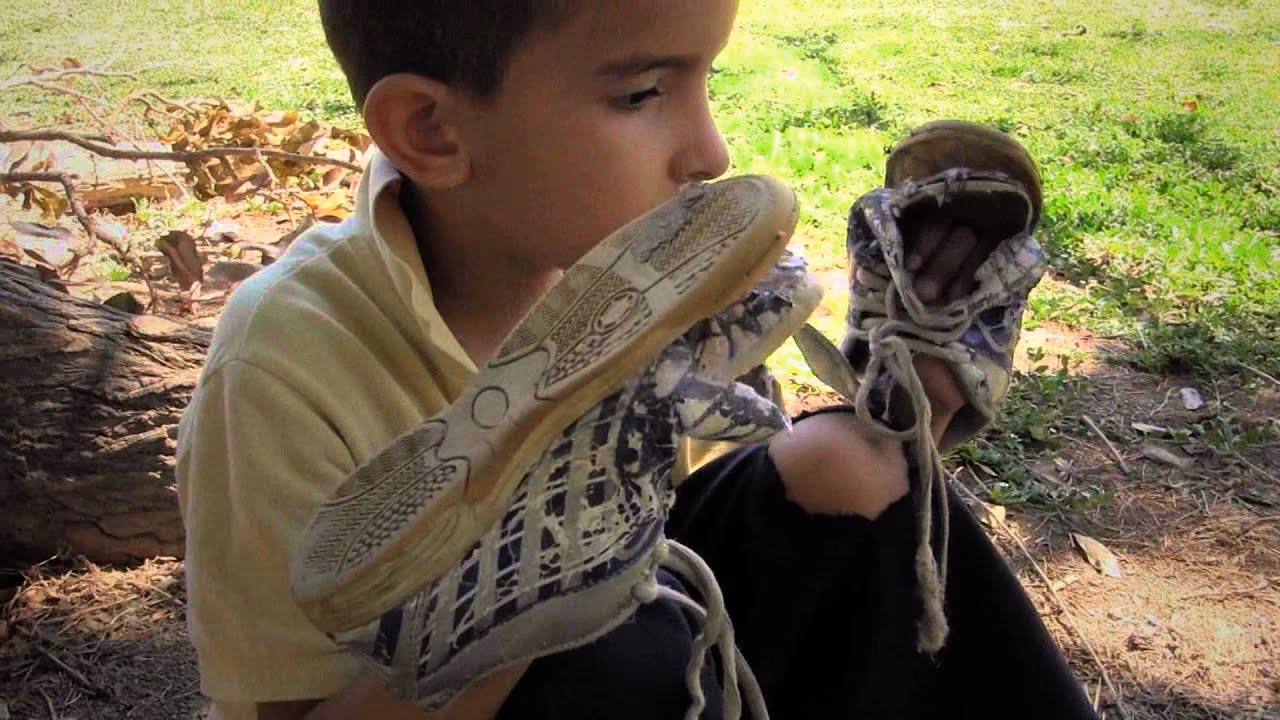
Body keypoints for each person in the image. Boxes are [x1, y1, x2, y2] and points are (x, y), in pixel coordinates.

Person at [175, 2, 1099, 718]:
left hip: (690, 671)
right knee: (633, 641)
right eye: (641, 94)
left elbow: (780, 561)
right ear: (433, 131)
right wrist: (520, 597)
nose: (710, 150)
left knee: (850, 465)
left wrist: (916, 402)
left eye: (706, 80)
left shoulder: (644, 269)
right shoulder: (283, 364)